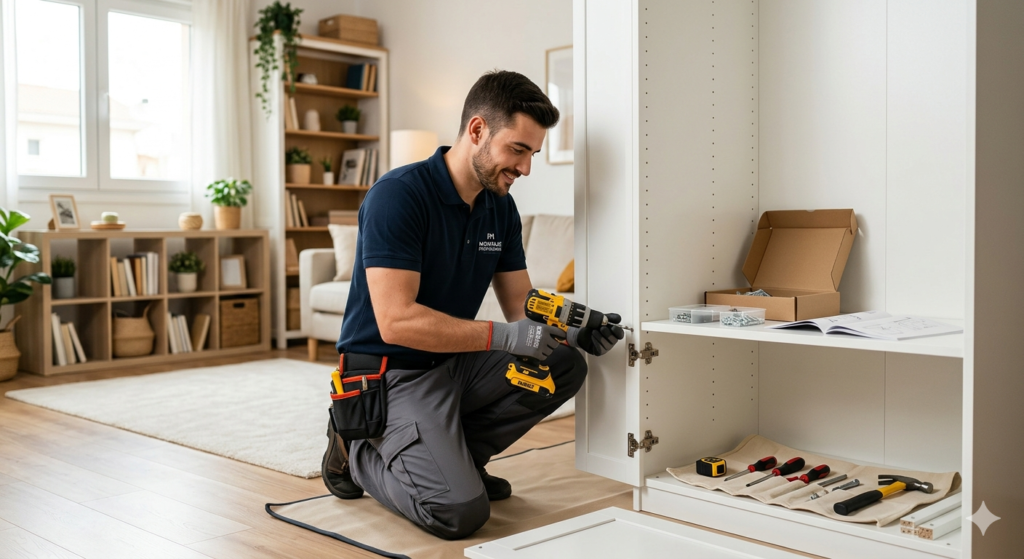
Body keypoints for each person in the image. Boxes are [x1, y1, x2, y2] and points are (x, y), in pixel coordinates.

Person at [322, 70, 625, 540]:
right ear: (478, 130)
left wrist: (575, 328)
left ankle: (463, 460)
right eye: (518, 150)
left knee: (563, 363)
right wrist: (504, 337)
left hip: (452, 361)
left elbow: (521, 306)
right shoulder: (399, 196)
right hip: (391, 373)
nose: (526, 169)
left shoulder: (499, 207)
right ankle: (357, 447)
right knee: (458, 513)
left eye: (532, 154)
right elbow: (396, 321)